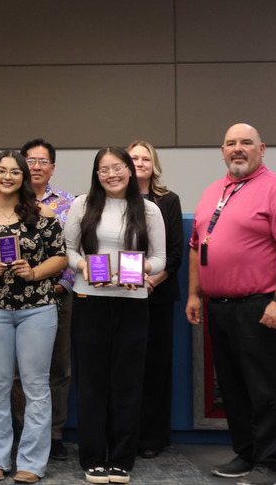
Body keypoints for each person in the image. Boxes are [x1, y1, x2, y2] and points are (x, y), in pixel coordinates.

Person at [186, 123, 276, 485]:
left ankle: (270, 464)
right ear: (222, 151)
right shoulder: (212, 191)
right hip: (219, 306)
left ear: (261, 149)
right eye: (231, 143)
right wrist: (194, 294)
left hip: (260, 306)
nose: (238, 148)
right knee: (233, 387)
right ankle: (246, 453)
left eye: (246, 142)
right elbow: (196, 246)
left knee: (265, 389)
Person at [64, 146, 166, 484]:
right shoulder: (82, 205)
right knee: (91, 384)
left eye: (118, 167)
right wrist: (83, 267)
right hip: (89, 301)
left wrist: (140, 270)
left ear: (130, 170)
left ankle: (122, 459)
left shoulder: (148, 209)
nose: (112, 174)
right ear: (97, 175)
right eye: (104, 169)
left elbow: (160, 258)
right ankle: (93, 457)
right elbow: (69, 250)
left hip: (132, 303)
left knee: (127, 383)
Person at [0, 152, 68, 484]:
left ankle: (32, 463)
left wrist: (34, 271)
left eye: (14, 172)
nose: (7, 177)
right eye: (1, 170)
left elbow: (61, 257)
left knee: (36, 386)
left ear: (23, 177)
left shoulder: (43, 214)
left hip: (37, 309)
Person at [14, 138, 75, 461]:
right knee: (17, 370)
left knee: (58, 367)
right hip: (17, 297)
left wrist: (64, 285)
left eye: (42, 161)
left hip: (57, 295)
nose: (36, 167)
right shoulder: (8, 200)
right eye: (30, 161)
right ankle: (26, 432)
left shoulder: (70, 203)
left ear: (52, 168)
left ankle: (53, 434)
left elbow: (78, 249)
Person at [127, 140, 183, 459]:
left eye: (145, 158)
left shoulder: (168, 200)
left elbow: (174, 254)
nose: (139, 163)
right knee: (125, 368)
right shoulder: (112, 199)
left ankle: (152, 438)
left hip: (157, 295)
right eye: (133, 158)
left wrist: (151, 281)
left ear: (154, 164)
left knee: (155, 368)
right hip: (121, 294)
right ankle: (124, 436)